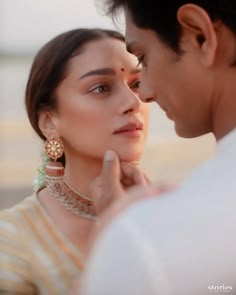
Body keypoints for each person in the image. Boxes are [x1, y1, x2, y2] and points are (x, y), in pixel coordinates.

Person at [79, 1, 236, 294]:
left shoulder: (148, 241)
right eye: (101, 88)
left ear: (200, 36)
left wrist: (121, 239)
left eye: (143, 59)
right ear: (47, 120)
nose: (143, 96)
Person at [0, 28, 150, 294]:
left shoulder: (169, 209)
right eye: (101, 88)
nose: (133, 102)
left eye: (137, 84)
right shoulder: (11, 239)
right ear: (49, 122)